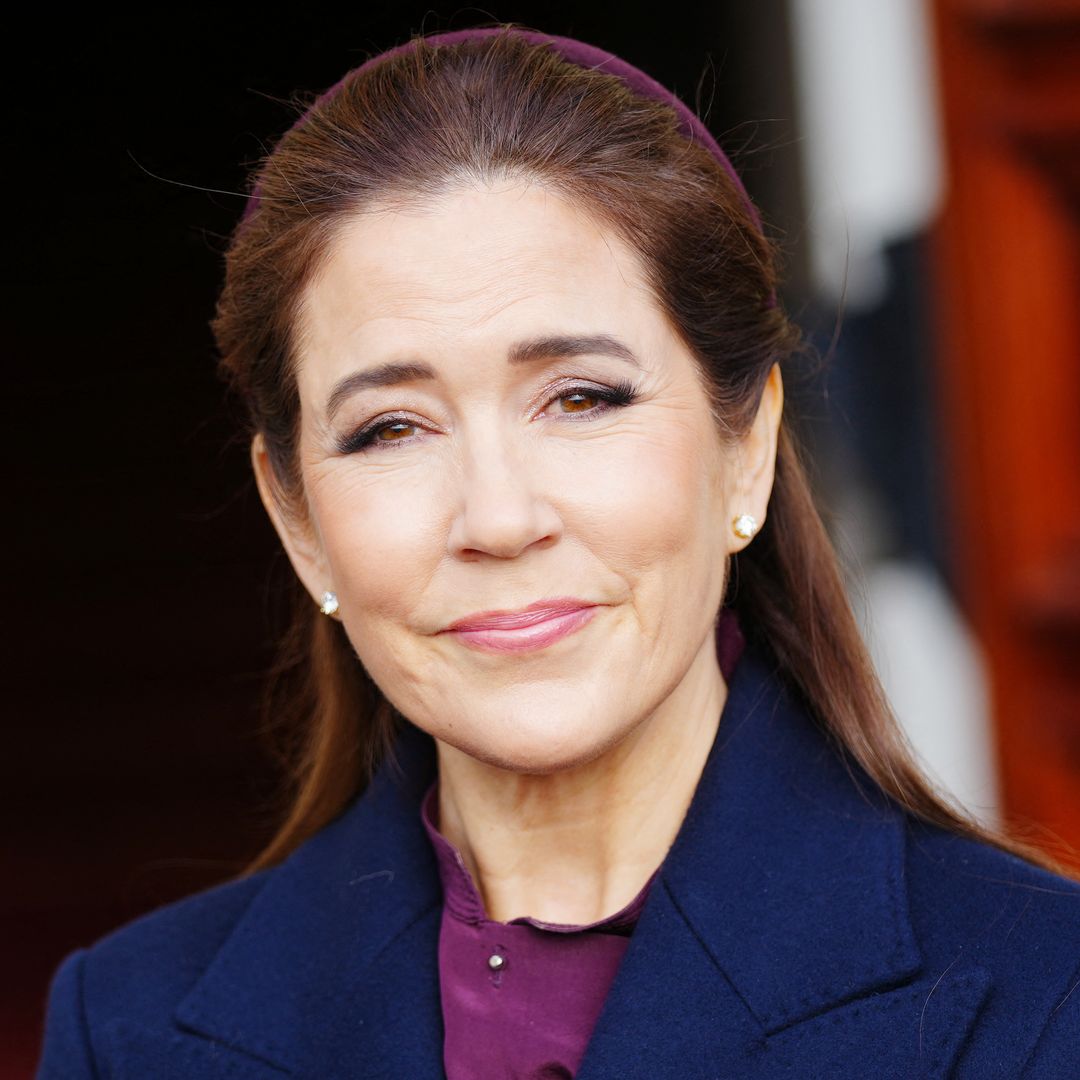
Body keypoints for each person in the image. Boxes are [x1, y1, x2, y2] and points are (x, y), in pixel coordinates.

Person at [37, 23, 1079, 1080]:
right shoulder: (126, 1032)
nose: (497, 516)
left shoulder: (1043, 999)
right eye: (391, 428)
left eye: (581, 398)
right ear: (298, 521)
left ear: (747, 448)